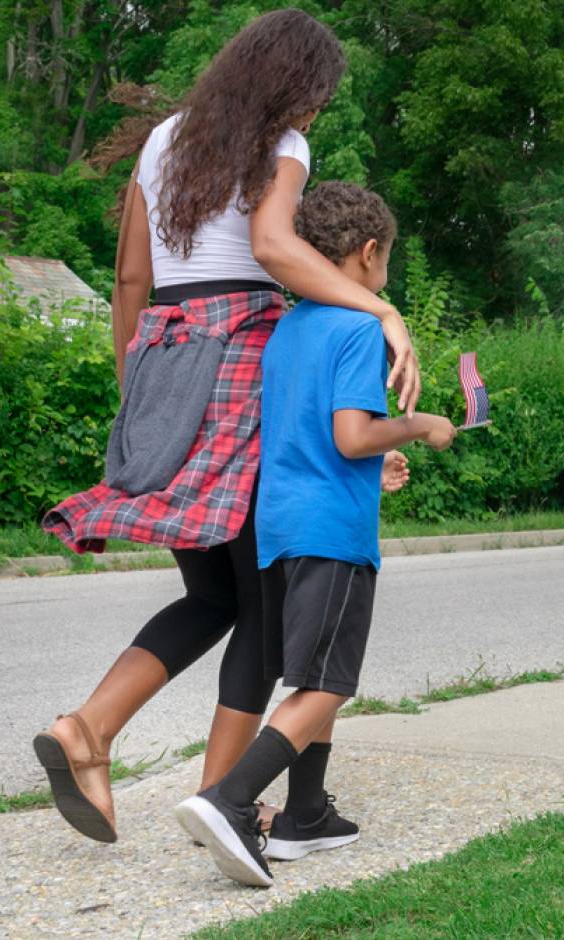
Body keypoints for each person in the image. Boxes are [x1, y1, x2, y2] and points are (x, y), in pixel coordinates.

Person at [32, 9, 420, 846]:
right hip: (240, 356)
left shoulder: (165, 137)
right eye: (317, 96)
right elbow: (274, 246)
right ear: (294, 87)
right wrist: (382, 306)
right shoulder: (281, 140)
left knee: (208, 592)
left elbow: (132, 274)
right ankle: (222, 802)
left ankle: (91, 730)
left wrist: (137, 388)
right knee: (261, 605)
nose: (315, 113)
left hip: (161, 354)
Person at [177, 182, 456, 886]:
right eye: (387, 257)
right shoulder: (360, 327)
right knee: (328, 686)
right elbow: (352, 432)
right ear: (367, 254)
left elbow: (321, 435)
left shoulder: (292, 325)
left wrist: (376, 455)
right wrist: (421, 427)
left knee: (307, 672)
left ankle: (306, 814)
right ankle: (231, 801)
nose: (386, 270)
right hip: (333, 531)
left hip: (278, 526)